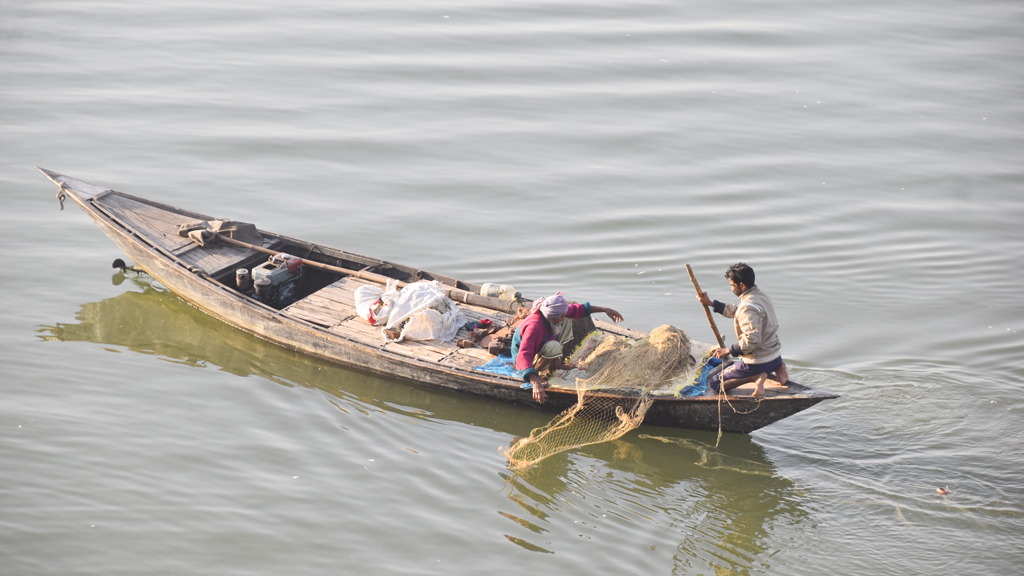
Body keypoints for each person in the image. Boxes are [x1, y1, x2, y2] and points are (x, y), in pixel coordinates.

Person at [511, 293, 623, 403]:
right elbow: (524, 354)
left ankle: (555, 363)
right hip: (523, 355)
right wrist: (534, 381)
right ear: (553, 317)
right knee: (553, 347)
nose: (563, 318)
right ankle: (536, 371)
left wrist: (606, 309)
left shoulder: (552, 313)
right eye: (562, 316)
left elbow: (578, 309)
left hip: (543, 341)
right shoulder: (534, 327)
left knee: (569, 319)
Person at [697, 263, 788, 397]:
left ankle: (756, 377)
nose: (732, 289)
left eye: (732, 285)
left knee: (714, 383)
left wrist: (728, 350)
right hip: (775, 356)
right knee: (769, 362)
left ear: (742, 286)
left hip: (759, 363)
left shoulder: (747, 307)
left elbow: (752, 339)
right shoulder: (760, 296)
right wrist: (711, 303)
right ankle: (780, 368)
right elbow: (737, 311)